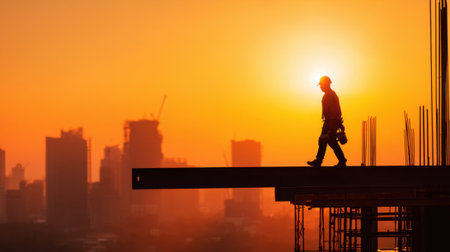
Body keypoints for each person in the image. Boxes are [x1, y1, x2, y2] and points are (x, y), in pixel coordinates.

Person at [307, 76, 347, 167]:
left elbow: (333, 112)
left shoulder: (330, 95)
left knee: (324, 140)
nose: (320, 87)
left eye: (321, 85)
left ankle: (320, 161)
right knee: (329, 141)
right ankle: (341, 161)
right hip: (330, 122)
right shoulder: (329, 94)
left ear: (326, 84)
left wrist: (331, 126)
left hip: (330, 122)